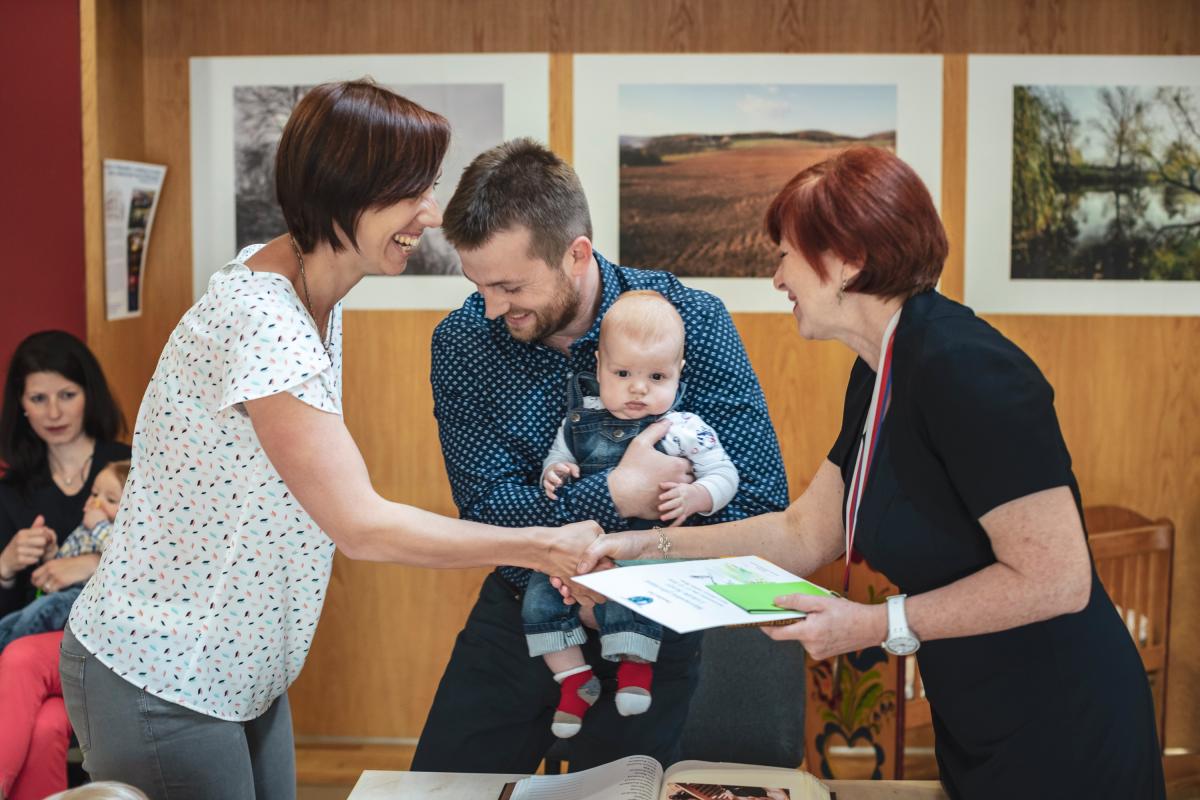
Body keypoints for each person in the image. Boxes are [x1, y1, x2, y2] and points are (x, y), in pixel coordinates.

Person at [60, 81, 602, 800]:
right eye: (413, 192)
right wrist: (543, 545)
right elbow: (361, 526)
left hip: (239, 669)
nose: (430, 214)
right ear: (346, 191)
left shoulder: (308, 288)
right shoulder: (266, 322)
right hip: (164, 671)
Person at [576, 146, 1165, 799]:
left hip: (1063, 720)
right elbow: (803, 534)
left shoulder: (968, 368)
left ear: (846, 261)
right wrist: (643, 549)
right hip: (980, 711)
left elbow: (1057, 580)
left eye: (785, 255)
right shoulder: (880, 367)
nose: (777, 278)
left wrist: (873, 624)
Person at [413, 138, 788, 773]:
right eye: (478, 284)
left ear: (577, 253)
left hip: (652, 618)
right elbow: (486, 508)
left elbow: (757, 500)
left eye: (509, 286)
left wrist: (638, 538)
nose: (492, 307)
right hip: (524, 609)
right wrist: (616, 494)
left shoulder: (691, 321)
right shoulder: (464, 341)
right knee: (442, 788)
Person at [529, 290, 740, 739]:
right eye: (622, 373)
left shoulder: (684, 429)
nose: (638, 388)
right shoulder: (577, 422)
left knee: (639, 593)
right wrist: (555, 472)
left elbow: (726, 475)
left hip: (645, 548)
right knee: (539, 596)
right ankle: (574, 679)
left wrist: (698, 496)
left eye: (657, 376)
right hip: (578, 550)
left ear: (679, 372)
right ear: (599, 367)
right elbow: (558, 459)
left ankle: (635, 670)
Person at [0, 330, 129, 800]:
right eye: (39, 398)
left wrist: (91, 562)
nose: (53, 412)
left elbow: (169, 565)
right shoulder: (11, 491)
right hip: (44, 659)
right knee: (46, 724)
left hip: (115, 645)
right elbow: (12, 611)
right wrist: (6, 566)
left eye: (66, 395)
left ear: (88, 395)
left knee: (21, 662)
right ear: (21, 406)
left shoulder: (127, 466)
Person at [0, 460, 127, 651]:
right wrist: (51, 553)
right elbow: (67, 561)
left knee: (46, 609)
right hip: (64, 592)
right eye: (94, 494)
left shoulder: (121, 533)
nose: (96, 503)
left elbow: (120, 555)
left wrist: (99, 526)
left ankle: (8, 645)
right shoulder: (85, 528)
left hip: (88, 598)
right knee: (14, 619)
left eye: (110, 500)